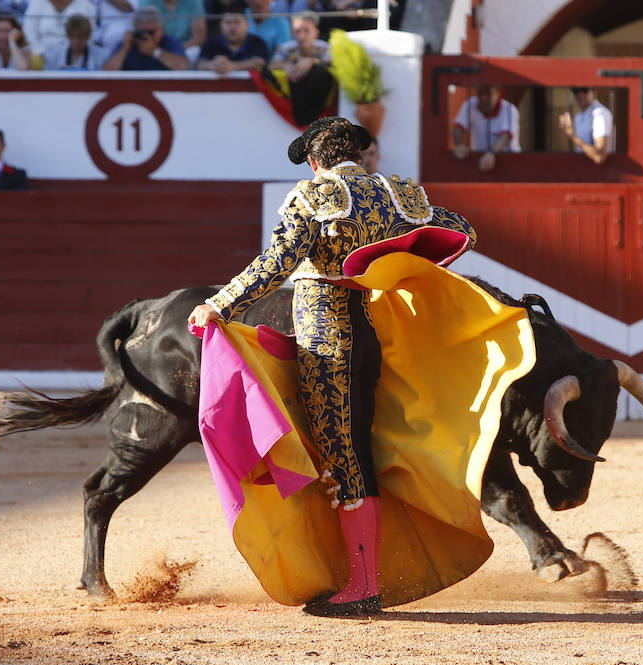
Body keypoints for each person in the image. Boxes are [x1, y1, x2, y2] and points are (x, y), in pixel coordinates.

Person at [187, 116, 477, 617]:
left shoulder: (315, 194)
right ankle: (364, 578)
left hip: (325, 339)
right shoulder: (397, 193)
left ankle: (363, 587)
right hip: (366, 333)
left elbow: (279, 260)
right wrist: (388, 263)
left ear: (315, 161)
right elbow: (460, 231)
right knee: (358, 451)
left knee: (343, 457)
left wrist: (221, 303)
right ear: (358, 155)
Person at [268, 12, 333, 125]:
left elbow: (331, 62)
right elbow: (272, 64)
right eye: (297, 31)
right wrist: (286, 65)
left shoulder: (324, 47)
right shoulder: (286, 48)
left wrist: (312, 61)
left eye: (306, 31)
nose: (301, 36)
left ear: (316, 33)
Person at [451, 84, 521, 172]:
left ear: (498, 93)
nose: (484, 98)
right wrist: (459, 144)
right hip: (480, 164)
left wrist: (491, 153)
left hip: (510, 164)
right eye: (480, 94)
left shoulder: (509, 109)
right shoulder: (470, 104)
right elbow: (457, 128)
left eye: (489, 93)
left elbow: (505, 136)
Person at [102, 6, 189, 70]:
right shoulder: (128, 43)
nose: (147, 36)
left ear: (161, 30)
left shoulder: (170, 42)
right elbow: (107, 73)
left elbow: (183, 67)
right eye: (143, 32)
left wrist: (154, 51)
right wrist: (124, 49)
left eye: (151, 32)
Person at [196, 4, 267, 75]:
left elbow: (260, 62)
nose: (232, 26)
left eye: (237, 22)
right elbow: (200, 64)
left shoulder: (257, 42)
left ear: (247, 25)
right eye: (228, 22)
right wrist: (213, 65)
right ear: (220, 25)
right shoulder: (211, 43)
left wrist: (232, 66)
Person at [558, 87, 613, 165]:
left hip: (598, 171)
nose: (580, 94)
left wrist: (572, 135)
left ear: (592, 90)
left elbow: (600, 156)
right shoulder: (578, 117)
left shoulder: (599, 114)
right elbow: (579, 150)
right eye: (576, 90)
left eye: (584, 89)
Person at [22, 0, 95, 58]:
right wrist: (40, 53)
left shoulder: (85, 4)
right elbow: (29, 33)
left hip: (76, 57)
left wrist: (75, 55)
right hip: (42, 58)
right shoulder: (37, 3)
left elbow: (90, 34)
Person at [138, 0, 206, 61]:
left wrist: (176, 50)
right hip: (155, 49)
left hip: (185, 50)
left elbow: (199, 37)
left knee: (194, 52)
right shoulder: (147, 2)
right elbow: (143, 30)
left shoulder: (193, 2)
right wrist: (157, 51)